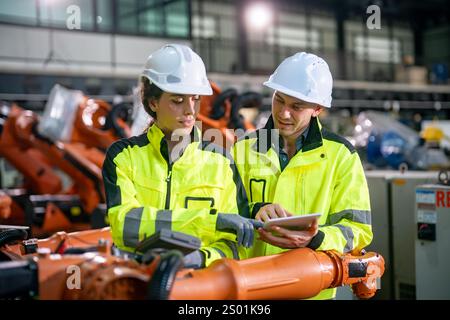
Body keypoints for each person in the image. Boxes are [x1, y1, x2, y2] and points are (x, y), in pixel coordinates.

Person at [102, 44, 261, 269]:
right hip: (140, 283)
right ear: (153, 102)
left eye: (195, 99)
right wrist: (210, 222)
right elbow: (125, 225)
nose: (190, 110)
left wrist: (202, 258)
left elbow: (238, 245)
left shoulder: (222, 163)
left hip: (201, 292)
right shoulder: (123, 157)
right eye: (178, 100)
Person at [232, 52, 373, 299]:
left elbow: (358, 229)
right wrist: (254, 209)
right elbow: (222, 211)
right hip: (250, 289)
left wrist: (317, 238)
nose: (284, 113)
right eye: (279, 100)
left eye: (296, 106)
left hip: (310, 292)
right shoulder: (243, 148)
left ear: (317, 108)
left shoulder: (340, 156)